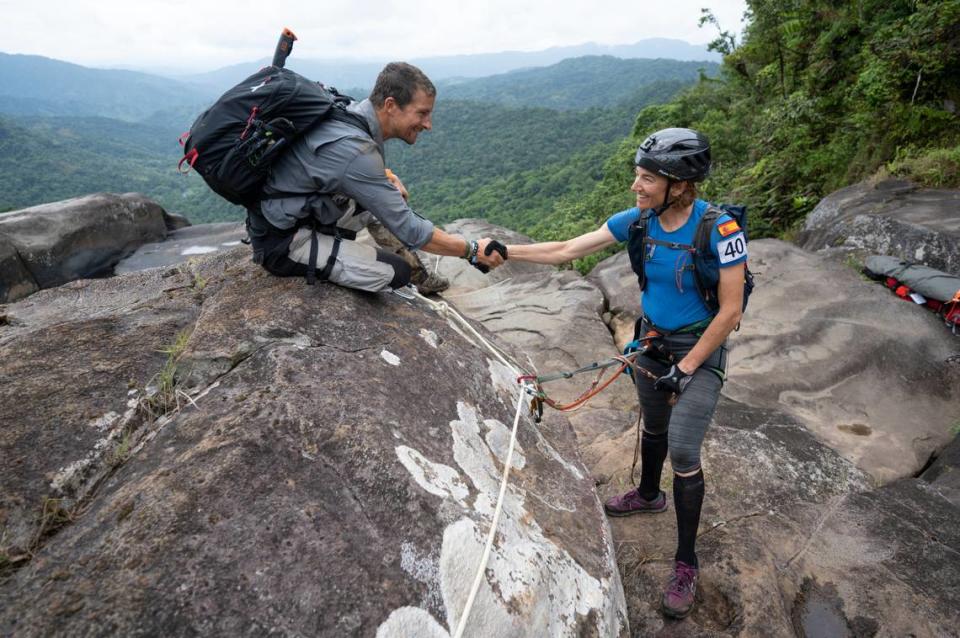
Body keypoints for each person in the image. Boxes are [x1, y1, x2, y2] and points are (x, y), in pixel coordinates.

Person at [495, 128, 747, 619]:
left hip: (698, 350)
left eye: (647, 179)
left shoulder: (720, 230)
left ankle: (686, 563)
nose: (636, 186)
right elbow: (568, 248)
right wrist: (507, 250)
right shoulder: (640, 222)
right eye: (637, 176)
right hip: (652, 342)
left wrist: (688, 366)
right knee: (652, 426)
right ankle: (651, 495)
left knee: (684, 447)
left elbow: (731, 311)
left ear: (679, 184)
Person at [246, 62, 504, 293]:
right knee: (394, 273)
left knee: (383, 199)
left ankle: (418, 274)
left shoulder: (349, 112)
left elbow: (339, 170)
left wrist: (386, 179)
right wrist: (471, 250)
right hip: (284, 243)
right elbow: (411, 230)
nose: (428, 124)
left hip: (291, 214)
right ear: (391, 105)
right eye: (422, 113)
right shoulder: (356, 149)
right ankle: (405, 273)